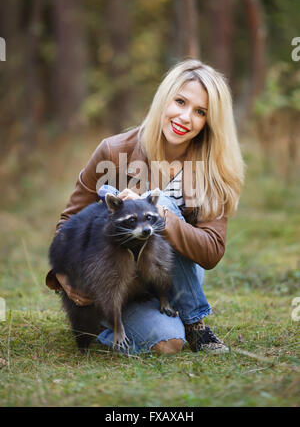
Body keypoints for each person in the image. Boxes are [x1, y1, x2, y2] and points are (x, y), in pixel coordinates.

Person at [46, 59, 244, 355]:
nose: (185, 117)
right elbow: (68, 226)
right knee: (167, 344)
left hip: (167, 278)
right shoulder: (113, 151)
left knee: (158, 203)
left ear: (209, 122)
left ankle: (193, 324)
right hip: (116, 280)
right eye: (180, 101)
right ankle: (107, 320)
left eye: (200, 112)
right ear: (165, 98)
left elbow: (212, 249)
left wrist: (163, 216)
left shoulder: (210, 171)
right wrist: (64, 277)